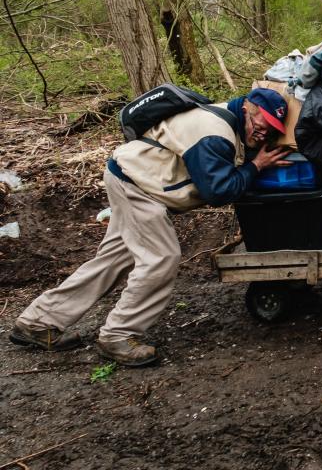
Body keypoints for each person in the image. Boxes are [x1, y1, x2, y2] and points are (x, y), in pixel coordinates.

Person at [9, 88, 292, 366]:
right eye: (261, 123)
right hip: (137, 186)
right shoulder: (215, 133)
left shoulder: (227, 123)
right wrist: (256, 166)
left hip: (130, 177)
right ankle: (118, 335)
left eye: (272, 129)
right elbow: (218, 192)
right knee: (161, 258)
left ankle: (37, 323)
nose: (264, 132)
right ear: (247, 109)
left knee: (113, 260)